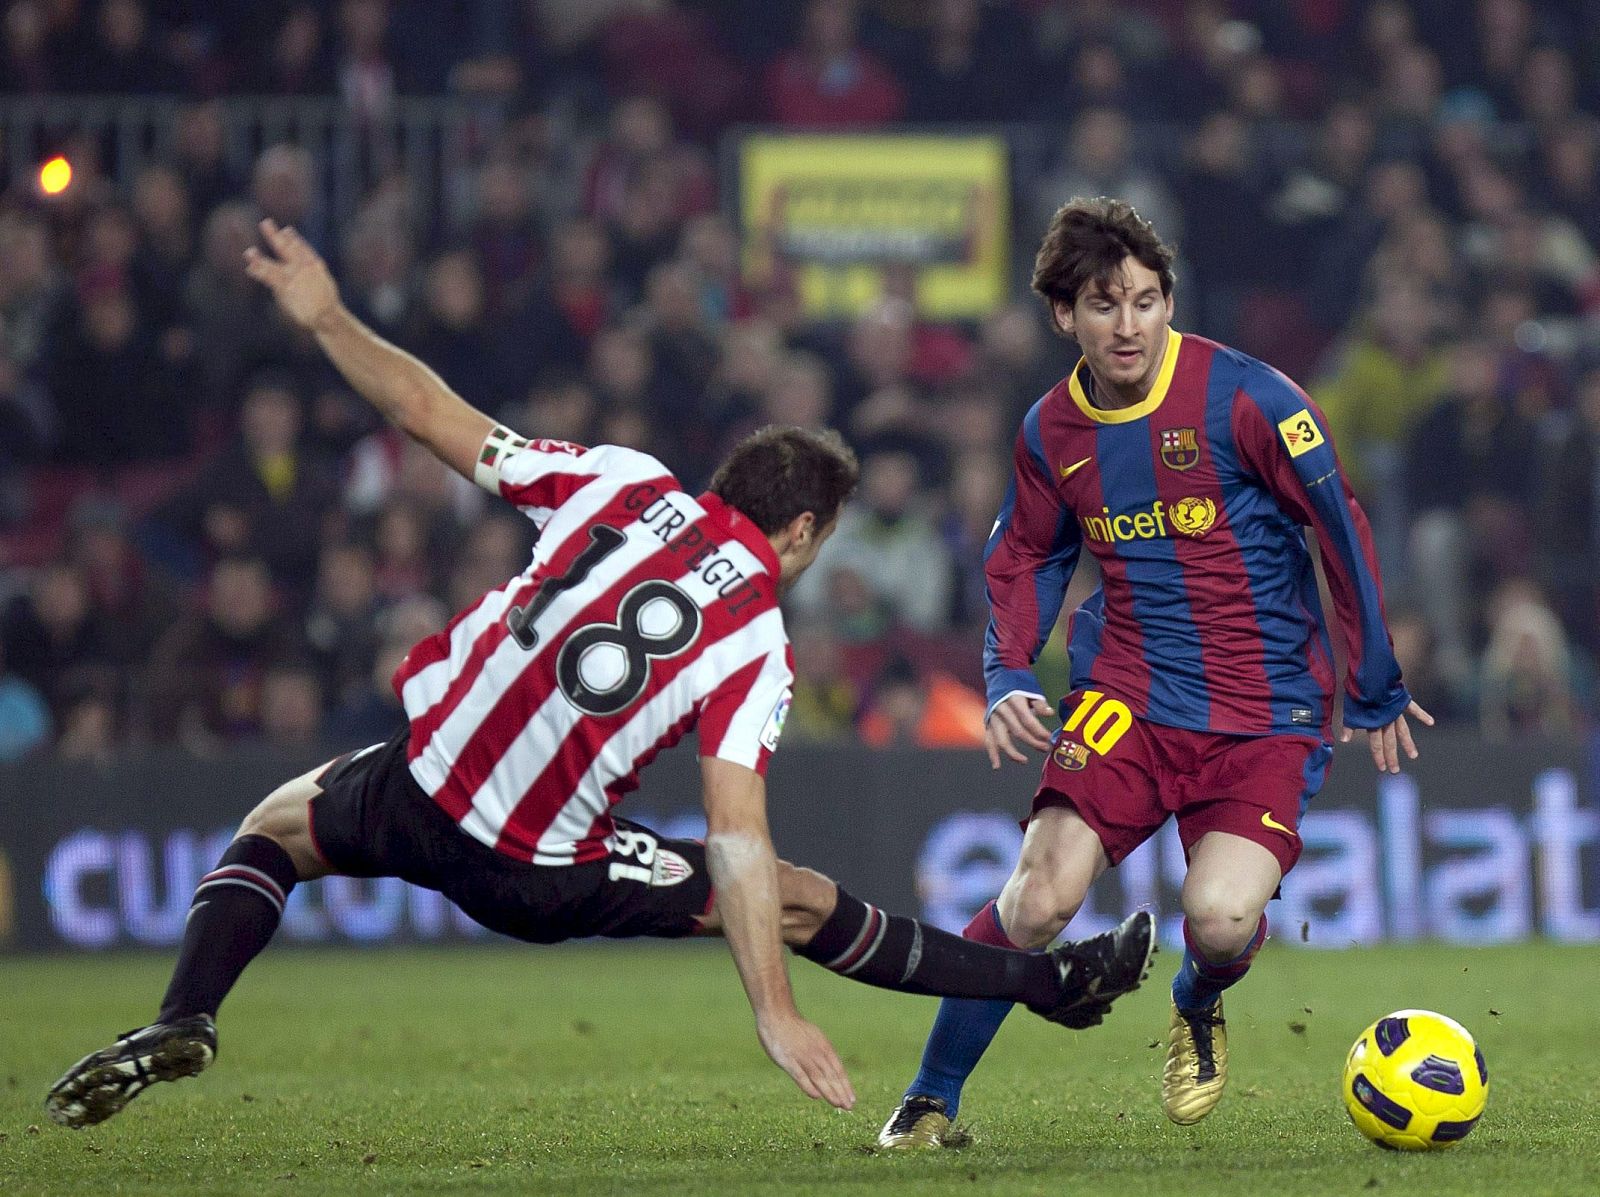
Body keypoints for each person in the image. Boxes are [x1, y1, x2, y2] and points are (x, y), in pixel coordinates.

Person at [46, 220, 1156, 1130]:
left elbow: (428, 415)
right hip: (539, 865)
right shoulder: (752, 636)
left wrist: (327, 316)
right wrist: (774, 1012)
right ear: (804, 529)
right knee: (803, 901)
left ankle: (189, 1010)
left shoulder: (618, 483)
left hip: (421, 785)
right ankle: (1050, 986)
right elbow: (735, 839)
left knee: (274, 830)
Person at [878, 197, 1431, 1149]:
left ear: (1169, 299)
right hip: (1127, 698)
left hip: (1266, 711)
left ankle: (1197, 997)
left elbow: (1340, 531)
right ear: (1065, 316)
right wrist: (1009, 670)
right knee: (1038, 896)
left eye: (1144, 300)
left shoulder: (1253, 399)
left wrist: (1373, 679)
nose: (1127, 324)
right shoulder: (1052, 430)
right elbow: (1031, 557)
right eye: (1103, 305)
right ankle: (930, 1099)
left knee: (1217, 921)